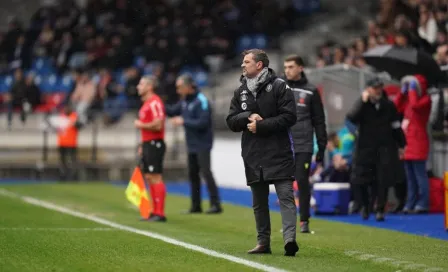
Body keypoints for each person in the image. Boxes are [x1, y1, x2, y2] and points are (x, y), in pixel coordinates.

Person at [226, 49, 299, 256]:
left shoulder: (279, 86)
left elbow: (290, 116)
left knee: (286, 196)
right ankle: (263, 243)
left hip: (279, 152)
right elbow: (231, 121)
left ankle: (289, 240)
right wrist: (248, 115)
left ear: (259, 65)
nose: (242, 65)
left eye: (247, 61)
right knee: (259, 202)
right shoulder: (240, 91)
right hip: (253, 153)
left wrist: (263, 125)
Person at [346, 78, 406, 221]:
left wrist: (402, 144)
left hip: (384, 148)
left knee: (382, 180)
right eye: (374, 88)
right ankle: (365, 206)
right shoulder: (362, 104)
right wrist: (362, 101)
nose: (378, 90)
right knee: (362, 180)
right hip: (365, 149)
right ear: (368, 89)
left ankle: (380, 209)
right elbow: (351, 118)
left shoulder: (389, 105)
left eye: (379, 87)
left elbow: (396, 126)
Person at [283, 55, 327, 233]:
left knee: (302, 181)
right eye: (285, 67)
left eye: (291, 66)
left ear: (300, 68)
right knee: (284, 184)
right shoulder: (280, 88)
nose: (287, 70)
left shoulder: (311, 91)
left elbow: (319, 121)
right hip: (283, 144)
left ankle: (304, 220)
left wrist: (322, 147)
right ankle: (289, 222)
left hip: (304, 144)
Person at [167, 74, 222, 214]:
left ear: (188, 87)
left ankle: (216, 205)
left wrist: (183, 121)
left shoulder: (201, 101)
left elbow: (203, 123)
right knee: (193, 174)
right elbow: (172, 111)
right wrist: (157, 102)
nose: (178, 90)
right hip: (191, 143)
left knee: (206, 172)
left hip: (203, 143)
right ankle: (195, 205)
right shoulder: (185, 101)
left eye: (180, 87)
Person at [394, 75, 432, 214]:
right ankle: (410, 203)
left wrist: (412, 91)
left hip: (418, 141)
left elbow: (416, 106)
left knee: (420, 175)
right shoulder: (410, 99)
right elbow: (396, 107)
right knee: (410, 177)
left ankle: (423, 203)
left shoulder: (426, 99)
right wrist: (401, 93)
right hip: (408, 142)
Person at [134, 75, 167, 222]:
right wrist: (142, 144)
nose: (138, 87)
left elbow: (159, 124)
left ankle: (160, 213)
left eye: (141, 84)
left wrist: (141, 125)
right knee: (149, 177)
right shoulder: (147, 103)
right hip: (148, 143)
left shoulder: (155, 102)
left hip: (155, 143)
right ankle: (154, 211)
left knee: (155, 176)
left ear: (149, 86)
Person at [57, 105, 79, 181]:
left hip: (71, 142)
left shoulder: (74, 116)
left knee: (72, 160)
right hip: (62, 142)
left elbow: (78, 125)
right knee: (63, 160)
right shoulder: (62, 116)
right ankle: (63, 174)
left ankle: (73, 175)